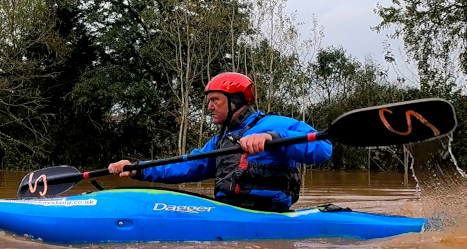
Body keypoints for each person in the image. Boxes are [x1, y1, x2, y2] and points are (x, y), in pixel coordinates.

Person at [108, 72, 332, 212]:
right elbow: (186, 166)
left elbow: (323, 148)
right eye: (208, 101)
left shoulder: (279, 124)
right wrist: (138, 169)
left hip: (270, 213)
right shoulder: (220, 142)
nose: (209, 107)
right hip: (228, 210)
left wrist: (274, 138)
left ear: (235, 101)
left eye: (215, 100)